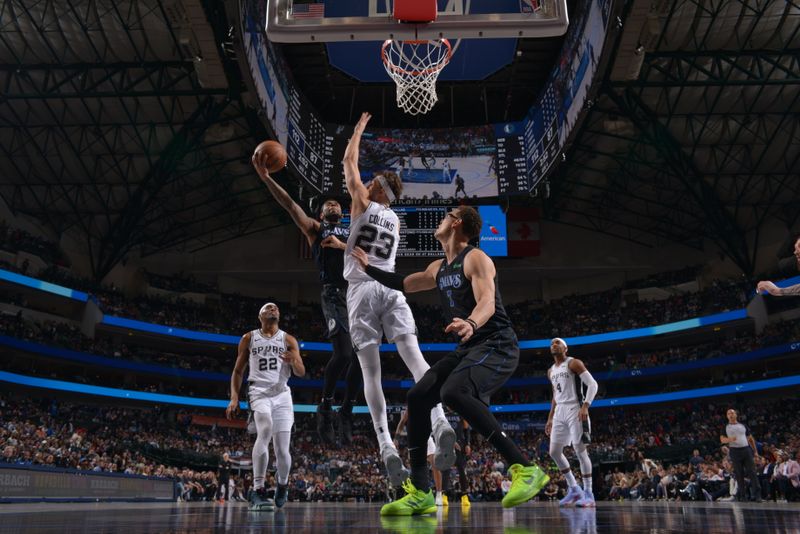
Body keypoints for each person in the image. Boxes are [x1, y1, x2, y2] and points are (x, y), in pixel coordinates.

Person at [351, 204, 550, 515]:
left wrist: (470, 322)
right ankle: (421, 492)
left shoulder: (476, 258)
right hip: (469, 349)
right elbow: (404, 284)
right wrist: (367, 269)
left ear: (456, 223)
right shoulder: (439, 267)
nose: (442, 218)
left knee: (453, 392)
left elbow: (486, 301)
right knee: (417, 397)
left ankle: (525, 468)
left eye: (447, 214)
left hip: (497, 343)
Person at [342, 112, 453, 487]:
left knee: (371, 372)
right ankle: (440, 421)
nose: (365, 182)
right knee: (415, 360)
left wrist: (358, 131)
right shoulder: (394, 219)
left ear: (375, 190)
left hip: (361, 290)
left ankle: (386, 444)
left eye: (371, 182)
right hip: (389, 285)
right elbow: (366, 245)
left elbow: (348, 162)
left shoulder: (362, 201)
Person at [251, 148, 360, 444]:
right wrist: (266, 178)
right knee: (345, 354)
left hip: (357, 296)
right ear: (322, 213)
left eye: (338, 203)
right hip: (334, 295)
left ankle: (346, 409)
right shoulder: (315, 229)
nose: (335, 204)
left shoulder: (353, 231)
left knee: (363, 360)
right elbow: (288, 204)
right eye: (329, 204)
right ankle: (325, 405)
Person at [226, 303, 305, 511]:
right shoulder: (249, 338)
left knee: (282, 449)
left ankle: (282, 484)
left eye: (276, 308)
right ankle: (258, 489)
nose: (273, 309)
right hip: (258, 392)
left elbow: (301, 372)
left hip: (282, 394)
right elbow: (237, 372)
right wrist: (234, 398)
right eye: (268, 308)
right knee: (265, 429)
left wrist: (294, 362)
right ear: (260, 315)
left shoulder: (288, 339)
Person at [545, 337, 598, 508]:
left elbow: (593, 385)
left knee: (580, 450)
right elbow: (555, 396)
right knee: (554, 451)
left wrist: (585, 406)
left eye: (557, 342)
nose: (554, 344)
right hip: (560, 410)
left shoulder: (573, 363)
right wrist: (550, 417)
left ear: (565, 348)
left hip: (575, 409)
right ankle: (574, 488)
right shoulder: (550, 370)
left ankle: (589, 493)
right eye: (552, 343)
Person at [394, 409, 445, 506]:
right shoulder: (410, 408)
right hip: (413, 439)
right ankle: (416, 493)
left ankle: (439, 494)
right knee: (414, 469)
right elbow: (401, 423)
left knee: (435, 463)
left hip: (426, 437)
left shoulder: (427, 407)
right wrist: (396, 438)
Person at [720, 408, 762, 502]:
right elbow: (722, 440)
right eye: (728, 413)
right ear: (727, 416)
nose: (730, 414)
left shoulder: (743, 425)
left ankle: (757, 494)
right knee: (739, 474)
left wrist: (755, 452)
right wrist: (730, 439)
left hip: (746, 449)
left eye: (732, 413)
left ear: (736, 415)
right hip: (734, 451)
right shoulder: (725, 427)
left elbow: (750, 439)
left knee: (752, 472)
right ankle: (743, 496)